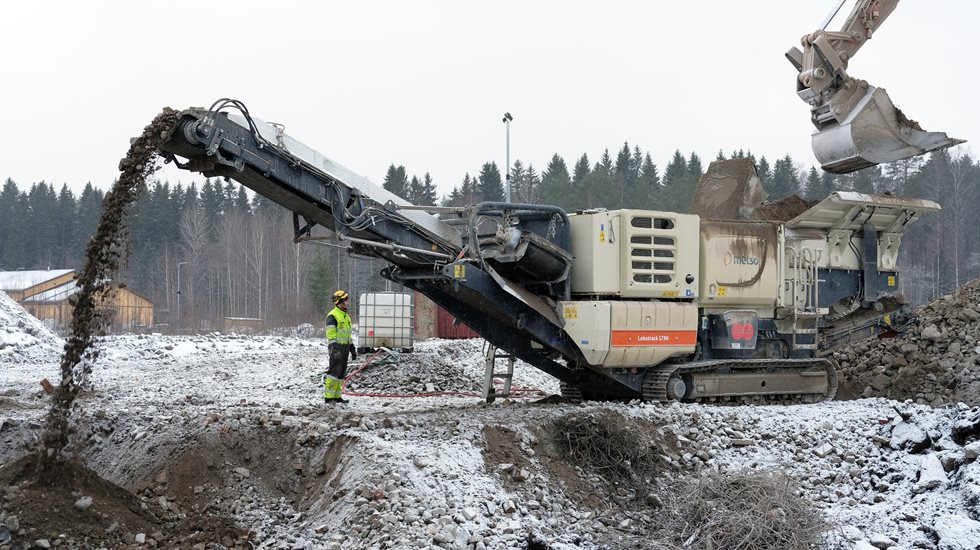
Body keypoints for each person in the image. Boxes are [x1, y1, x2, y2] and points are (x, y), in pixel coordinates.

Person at [323, 290, 356, 403]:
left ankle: (336, 396)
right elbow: (331, 335)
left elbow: (346, 334)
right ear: (340, 302)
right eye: (346, 300)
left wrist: (351, 347)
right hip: (336, 348)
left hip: (345, 348)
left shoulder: (346, 316)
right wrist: (335, 349)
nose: (348, 302)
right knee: (334, 373)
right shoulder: (332, 316)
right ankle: (329, 397)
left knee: (341, 373)